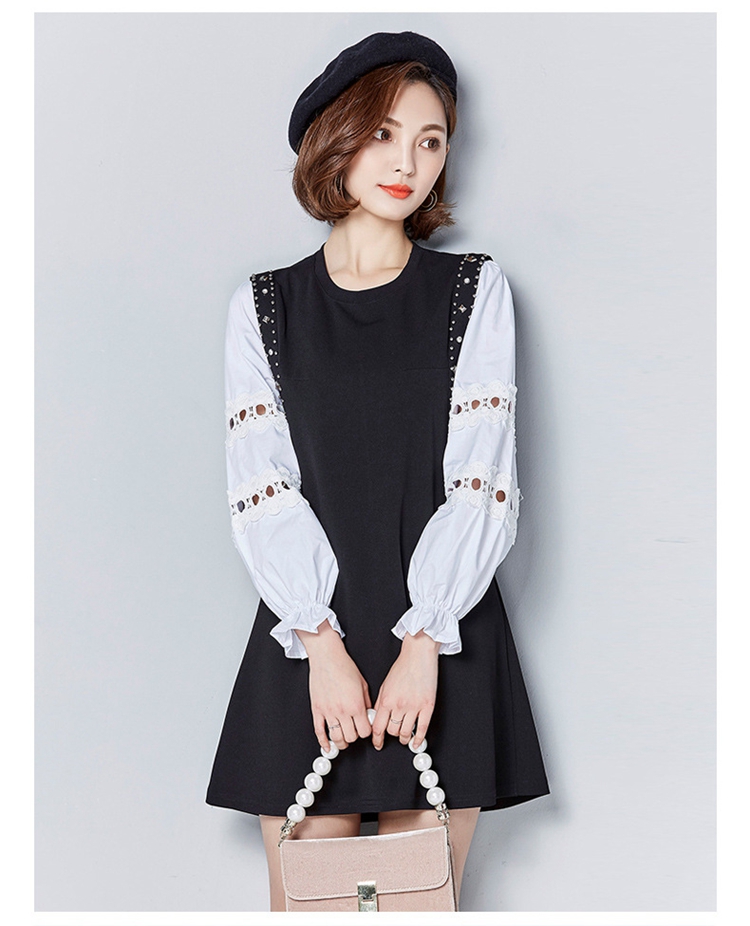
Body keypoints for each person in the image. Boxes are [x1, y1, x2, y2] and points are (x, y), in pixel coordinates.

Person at [206, 31, 549, 912]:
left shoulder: (473, 291)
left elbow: (482, 480)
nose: (408, 163)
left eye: (431, 141)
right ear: (337, 138)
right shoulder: (264, 307)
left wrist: (424, 641)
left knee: (418, 906)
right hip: (306, 640)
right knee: (306, 907)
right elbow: (261, 488)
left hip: (444, 639)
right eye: (385, 134)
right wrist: (321, 644)